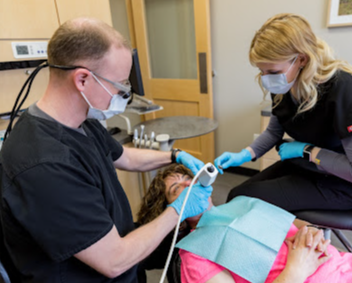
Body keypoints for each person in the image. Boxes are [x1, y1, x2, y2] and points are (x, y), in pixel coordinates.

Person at [0, 18, 212, 283]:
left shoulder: (82, 121)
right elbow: (114, 261)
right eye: (122, 85)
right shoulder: (44, 164)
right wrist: (179, 209)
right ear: (82, 79)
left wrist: (174, 155)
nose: (125, 94)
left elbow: (126, 157)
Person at [214, 13, 352, 212]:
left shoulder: (343, 89)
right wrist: (245, 154)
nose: (266, 80)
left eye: (273, 72)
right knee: (237, 195)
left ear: (301, 59)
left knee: (245, 201)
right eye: (261, 71)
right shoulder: (284, 86)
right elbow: (274, 132)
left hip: (341, 183)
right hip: (305, 167)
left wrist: (307, 150)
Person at [137, 164, 352, 283]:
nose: (187, 184)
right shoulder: (194, 258)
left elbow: (301, 225)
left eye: (186, 177)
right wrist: (296, 269)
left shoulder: (245, 203)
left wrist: (312, 232)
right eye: (175, 189)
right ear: (172, 214)